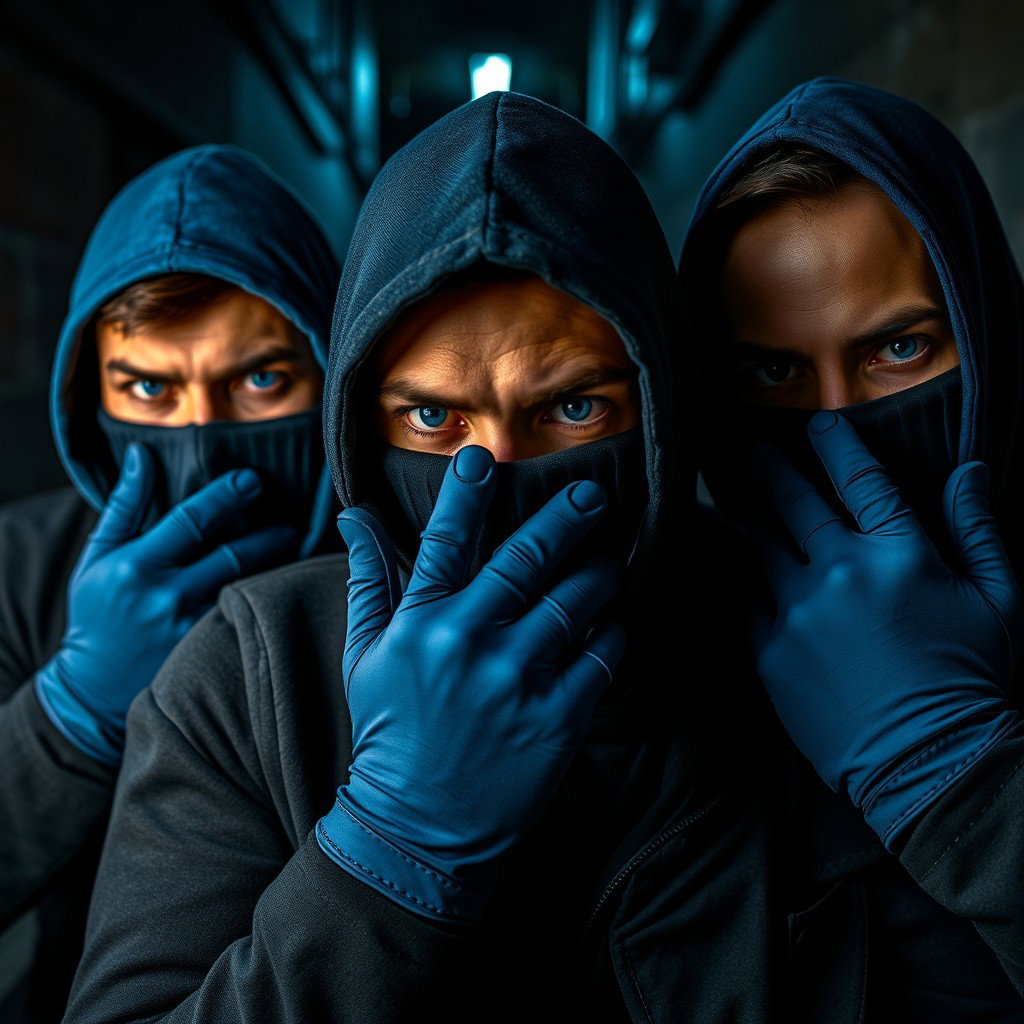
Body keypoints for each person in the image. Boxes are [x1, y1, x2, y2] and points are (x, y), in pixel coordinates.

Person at [63, 93, 773, 1023]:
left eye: (573, 407)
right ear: (360, 426)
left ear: (660, 406)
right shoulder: (245, 671)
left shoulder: (787, 646)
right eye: (434, 418)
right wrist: (392, 847)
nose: (498, 474)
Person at [680, 77, 1024, 1018]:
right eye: (775, 370)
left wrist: (957, 769)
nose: (838, 427)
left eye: (900, 352)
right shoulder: (675, 649)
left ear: (984, 330)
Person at [0, 144, 339, 1022]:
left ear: (332, 373)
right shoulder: (20, 566)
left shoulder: (400, 578)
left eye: (262, 380)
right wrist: (68, 715)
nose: (201, 435)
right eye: (148, 388)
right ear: (90, 395)